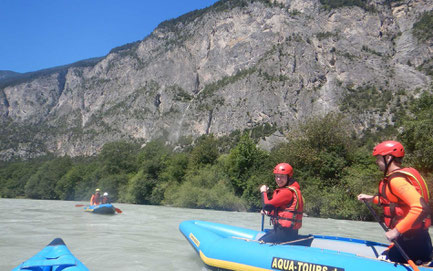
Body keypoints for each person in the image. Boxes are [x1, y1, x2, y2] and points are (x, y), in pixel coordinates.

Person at [357, 140, 432, 264]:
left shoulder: (397, 180)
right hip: (419, 239)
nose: (377, 162)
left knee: (380, 262)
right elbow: (394, 203)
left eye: (378, 158)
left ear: (388, 158)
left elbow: (420, 208)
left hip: (411, 242)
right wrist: (371, 198)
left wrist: (396, 231)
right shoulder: (402, 176)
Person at [258, 162, 304, 243]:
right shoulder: (291, 190)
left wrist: (263, 192)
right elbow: (278, 210)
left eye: (282, 176)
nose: (278, 179)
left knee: (259, 242)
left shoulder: (286, 192)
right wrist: (268, 212)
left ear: (288, 177)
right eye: (277, 176)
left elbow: (267, 205)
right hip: (289, 232)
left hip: (283, 233)